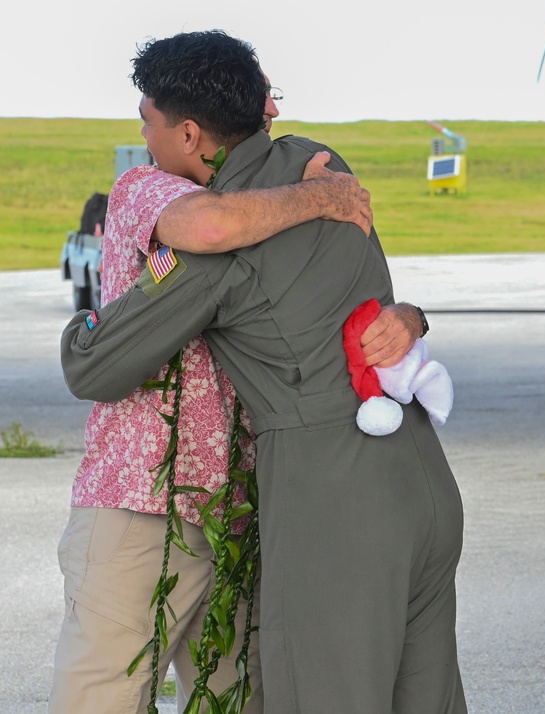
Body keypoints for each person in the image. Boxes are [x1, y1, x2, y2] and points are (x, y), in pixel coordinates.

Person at [61, 30, 466, 713]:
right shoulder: (322, 167)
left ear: (189, 134)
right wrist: (413, 315)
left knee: (325, 695)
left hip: (335, 495)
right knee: (426, 697)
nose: (145, 139)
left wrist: (82, 330)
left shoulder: (209, 244)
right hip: (418, 473)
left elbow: (95, 366)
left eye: (147, 123)